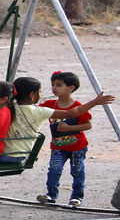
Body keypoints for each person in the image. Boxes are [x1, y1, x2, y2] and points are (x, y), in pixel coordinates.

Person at [1, 77, 113, 168]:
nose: (41, 95)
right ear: (32, 95)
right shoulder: (39, 111)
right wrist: (94, 102)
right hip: (19, 156)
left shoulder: (8, 107)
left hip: (1, 155)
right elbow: (71, 113)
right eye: (39, 92)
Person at [35, 71, 96, 207]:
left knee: (77, 170)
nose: (54, 88)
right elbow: (34, 111)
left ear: (71, 88)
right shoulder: (50, 104)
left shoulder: (78, 107)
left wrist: (69, 128)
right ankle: (51, 195)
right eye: (53, 85)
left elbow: (88, 125)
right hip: (58, 146)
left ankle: (77, 197)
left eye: (59, 85)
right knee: (54, 169)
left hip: (77, 147)